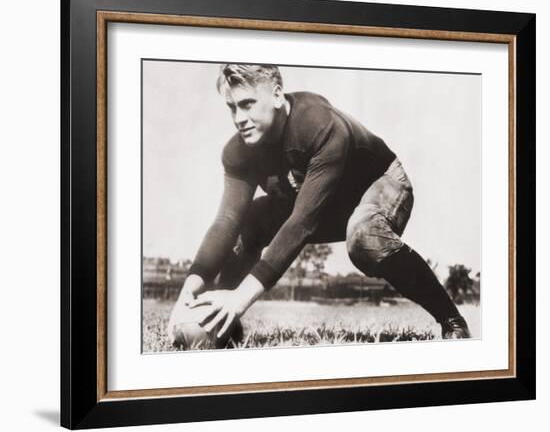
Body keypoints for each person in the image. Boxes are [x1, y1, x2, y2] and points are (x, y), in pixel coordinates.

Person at [166, 64, 471, 346]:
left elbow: (301, 223)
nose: (238, 118)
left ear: (275, 94)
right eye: (231, 107)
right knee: (245, 227)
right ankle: (224, 329)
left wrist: (240, 298)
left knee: (364, 236)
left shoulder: (318, 123)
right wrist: (188, 291)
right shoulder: (237, 151)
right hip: (315, 202)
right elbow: (226, 221)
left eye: (247, 103)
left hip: (376, 184)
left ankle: (452, 320)